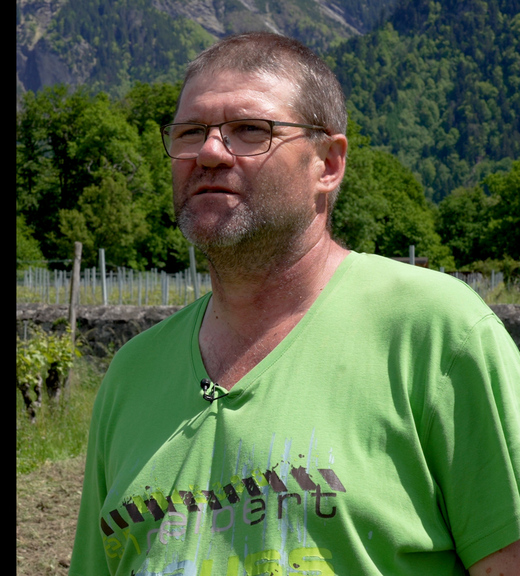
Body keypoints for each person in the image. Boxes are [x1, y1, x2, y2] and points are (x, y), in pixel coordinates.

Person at [69, 32, 520, 575]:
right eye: (191, 133)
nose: (210, 152)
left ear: (327, 165)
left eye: (250, 130)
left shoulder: (436, 333)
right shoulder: (131, 375)